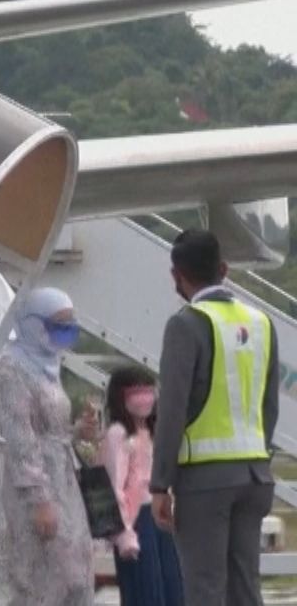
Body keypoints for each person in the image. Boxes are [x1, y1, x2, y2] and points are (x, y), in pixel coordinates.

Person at [151, 229, 278, 606]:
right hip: (255, 475)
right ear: (223, 269)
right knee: (245, 587)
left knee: (205, 588)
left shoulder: (185, 324)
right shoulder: (261, 322)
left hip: (205, 481)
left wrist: (160, 484)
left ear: (176, 275)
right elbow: (269, 406)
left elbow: (172, 410)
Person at [0, 286, 94, 606]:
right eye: (57, 324)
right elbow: (20, 438)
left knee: (76, 574)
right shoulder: (12, 369)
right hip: (36, 485)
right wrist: (39, 499)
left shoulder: (48, 364)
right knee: (42, 579)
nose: (64, 333)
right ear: (33, 324)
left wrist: (77, 431)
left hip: (63, 479)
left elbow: (51, 430)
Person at [101, 365, 185, 606]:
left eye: (149, 390)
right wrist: (124, 534)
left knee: (172, 587)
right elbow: (114, 487)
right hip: (136, 520)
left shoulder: (151, 431)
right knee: (146, 590)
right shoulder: (118, 434)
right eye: (137, 391)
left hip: (158, 517)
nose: (146, 398)